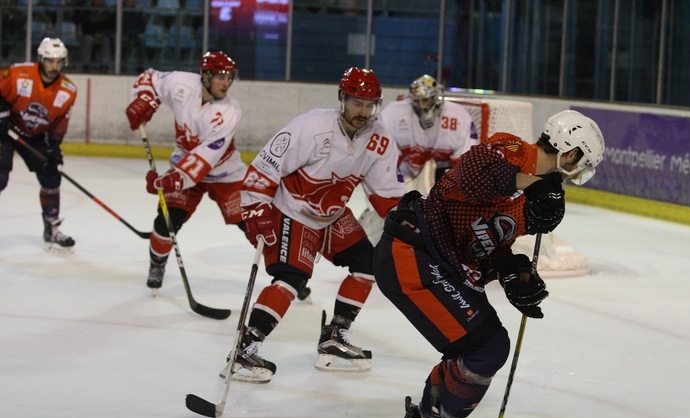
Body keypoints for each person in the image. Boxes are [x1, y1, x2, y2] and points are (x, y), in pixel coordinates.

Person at [373, 110, 605, 418]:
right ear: (571, 152)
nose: (576, 175)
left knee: (474, 346)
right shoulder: (511, 150)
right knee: (488, 345)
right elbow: (472, 177)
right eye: (581, 165)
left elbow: (481, 244)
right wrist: (532, 184)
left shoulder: (531, 200)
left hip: (436, 261)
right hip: (412, 252)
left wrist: (512, 270)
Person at [226, 67, 404, 383]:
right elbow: (266, 166)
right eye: (356, 103)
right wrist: (255, 210)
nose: (363, 112)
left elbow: (386, 194)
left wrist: (406, 220)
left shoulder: (380, 140)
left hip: (332, 214)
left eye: (369, 105)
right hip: (292, 210)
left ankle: (335, 335)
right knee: (291, 277)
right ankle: (247, 345)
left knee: (368, 263)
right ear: (342, 99)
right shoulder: (311, 128)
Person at [125, 51, 247, 292]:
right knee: (165, 222)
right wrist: (145, 99)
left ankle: (285, 275)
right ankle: (157, 265)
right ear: (206, 76)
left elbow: (205, 159)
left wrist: (169, 181)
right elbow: (149, 78)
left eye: (229, 77)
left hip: (225, 173)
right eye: (220, 77)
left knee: (254, 226)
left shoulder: (230, 111)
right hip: (183, 163)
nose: (226, 83)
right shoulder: (181, 84)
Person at [0, 37, 78, 253]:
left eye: (59, 62)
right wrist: (2, 113)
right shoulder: (19, 75)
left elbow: (60, 123)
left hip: (34, 136)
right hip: (5, 130)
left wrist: (54, 147)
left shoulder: (68, 90)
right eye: (50, 61)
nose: (54, 66)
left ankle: (52, 228)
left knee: (51, 175)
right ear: (41, 59)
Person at [379, 74, 478, 192]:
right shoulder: (392, 114)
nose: (422, 105)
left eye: (425, 100)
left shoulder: (458, 116)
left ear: (435, 98)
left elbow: (467, 165)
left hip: (442, 173)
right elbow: (383, 163)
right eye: (417, 100)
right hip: (405, 173)